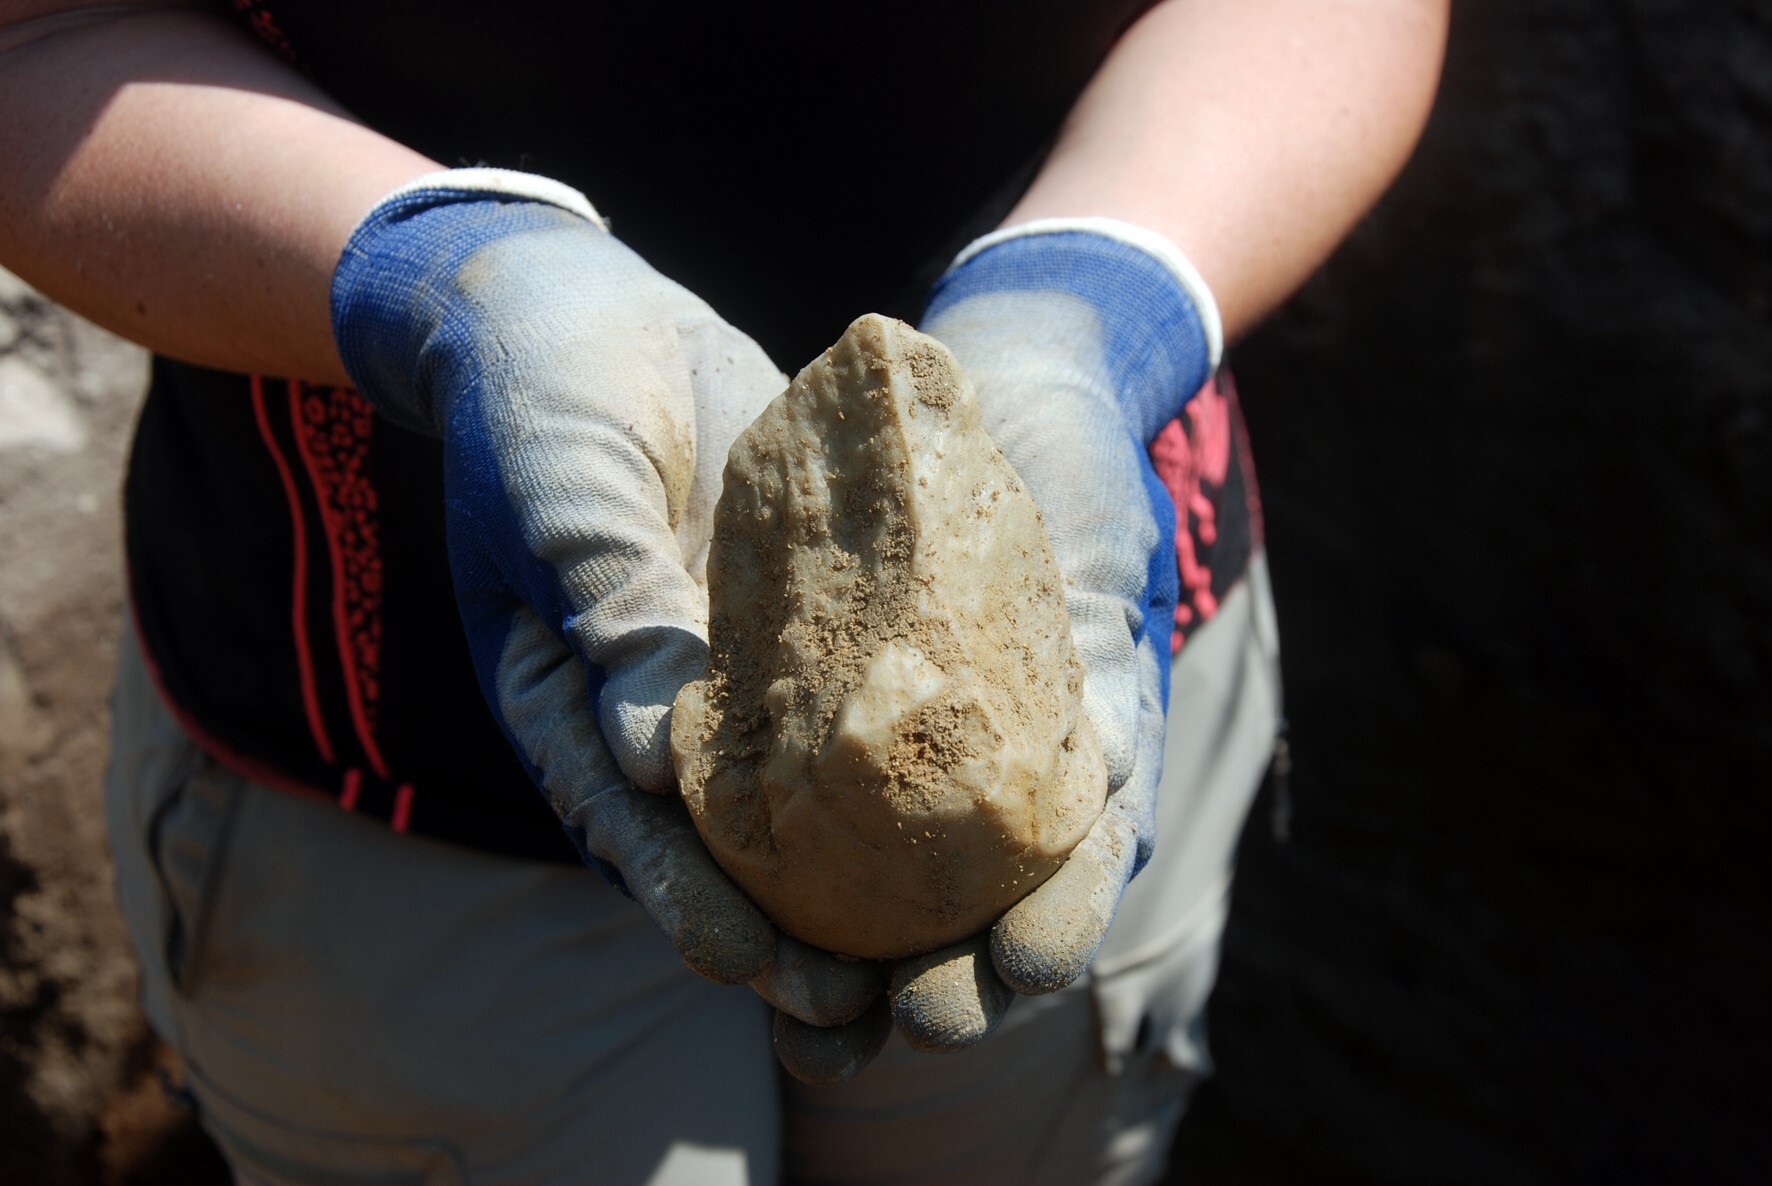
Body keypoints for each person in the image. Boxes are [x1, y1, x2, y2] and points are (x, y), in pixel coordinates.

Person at [0, 0, 1448, 1181]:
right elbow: (41, 27)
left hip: (1083, 608)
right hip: (388, 761)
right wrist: (441, 274)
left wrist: (1103, 294)